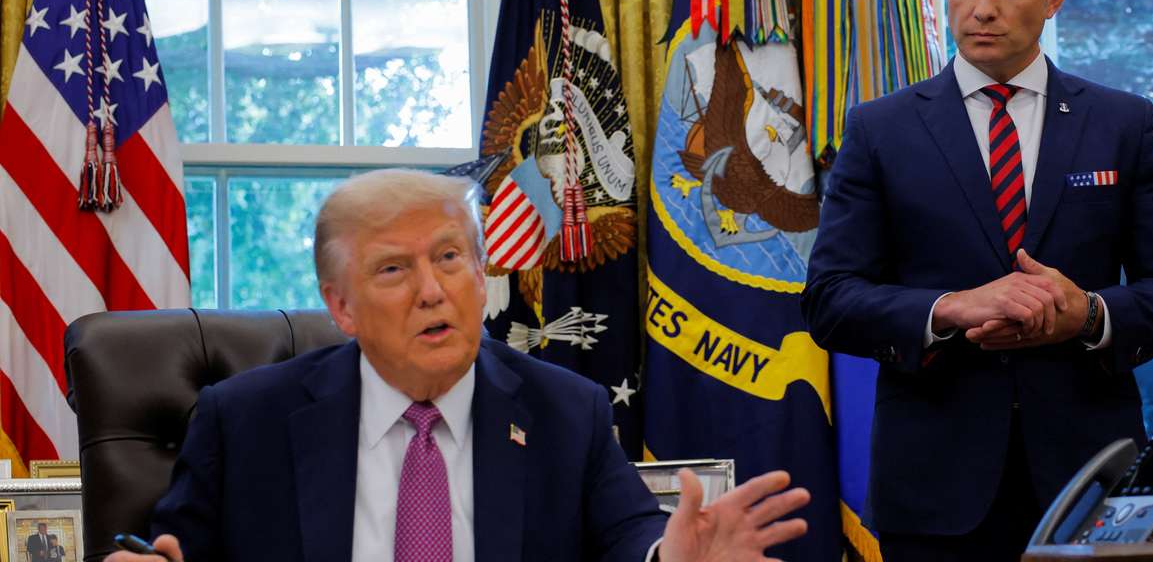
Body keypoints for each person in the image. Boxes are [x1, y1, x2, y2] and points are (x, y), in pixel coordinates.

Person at [802, 0, 1153, 561]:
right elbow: (828, 301)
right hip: (934, 495)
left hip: (1093, 487)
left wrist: (1087, 314)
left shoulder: (1121, 123)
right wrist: (950, 309)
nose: (982, 8)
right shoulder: (879, 130)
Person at [106, 169, 809, 562]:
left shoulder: (566, 408)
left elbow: (628, 536)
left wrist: (670, 561)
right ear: (341, 307)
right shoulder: (246, 420)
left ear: (481, 271)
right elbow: (175, 548)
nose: (432, 291)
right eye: (392, 269)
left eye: (449, 257)